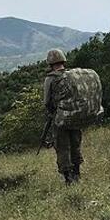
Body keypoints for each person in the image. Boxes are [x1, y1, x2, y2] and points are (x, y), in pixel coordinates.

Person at [43, 49, 83, 184]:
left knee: (62, 147)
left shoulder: (50, 78)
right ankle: (77, 173)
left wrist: (52, 112)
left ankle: (68, 178)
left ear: (50, 63)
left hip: (60, 118)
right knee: (75, 144)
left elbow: (47, 101)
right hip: (75, 115)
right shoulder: (72, 75)